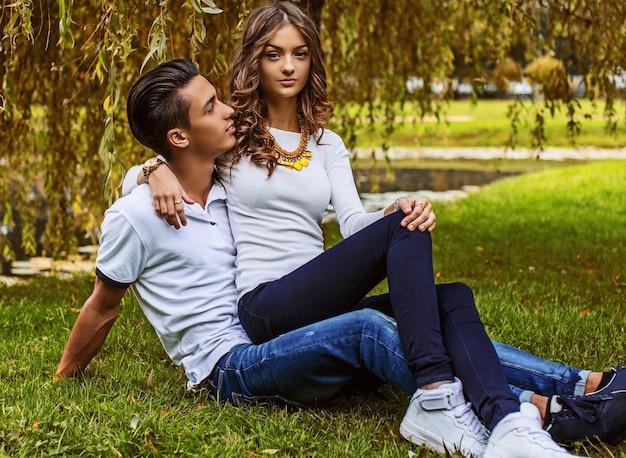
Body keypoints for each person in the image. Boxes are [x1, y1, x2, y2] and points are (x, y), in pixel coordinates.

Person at [119, 5, 626, 458]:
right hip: (267, 306)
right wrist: (148, 170)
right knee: (405, 242)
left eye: (300, 53)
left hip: (319, 298)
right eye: (275, 55)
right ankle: (443, 394)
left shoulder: (326, 144)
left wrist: (396, 209)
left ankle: (576, 388)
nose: (289, 66)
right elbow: (173, 150)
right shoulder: (234, 132)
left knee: (448, 295)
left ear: (313, 59)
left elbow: (355, 223)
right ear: (257, 61)